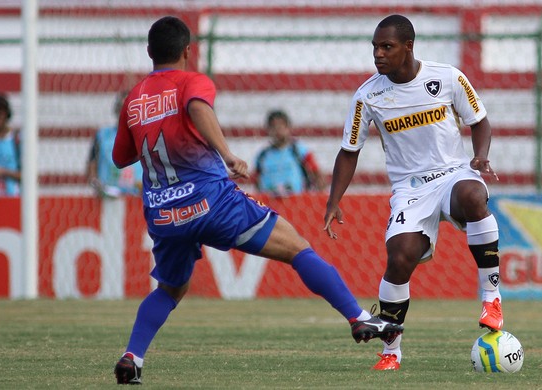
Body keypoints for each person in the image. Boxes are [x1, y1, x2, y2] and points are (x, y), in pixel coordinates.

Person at [111, 16, 402, 385]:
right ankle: (357, 317)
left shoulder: (134, 98)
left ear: (149, 52)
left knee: (170, 289)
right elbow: (198, 108)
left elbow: (121, 157)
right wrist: (228, 155)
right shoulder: (192, 81)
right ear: (188, 51)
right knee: (297, 248)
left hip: (163, 212)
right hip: (210, 200)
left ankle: (132, 356)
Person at [324, 14, 503, 371]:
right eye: (375, 47)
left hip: (453, 173)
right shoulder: (368, 95)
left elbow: (479, 120)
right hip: (410, 188)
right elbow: (349, 151)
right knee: (400, 257)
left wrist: (480, 157)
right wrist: (333, 200)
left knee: (472, 196)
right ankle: (392, 351)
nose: (378, 54)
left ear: (408, 47)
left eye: (386, 46)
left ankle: (492, 297)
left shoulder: (447, 77)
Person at [255, 110, 326, 196]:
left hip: (296, 203)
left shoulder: (300, 151)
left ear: (288, 127)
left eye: (281, 126)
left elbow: (317, 175)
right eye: (273, 126)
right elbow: (256, 182)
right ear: (268, 129)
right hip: (269, 205)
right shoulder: (262, 156)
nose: (277, 130)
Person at [86, 91, 142, 197]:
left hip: (138, 200)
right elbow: (91, 163)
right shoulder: (103, 136)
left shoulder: (145, 136)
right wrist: (96, 184)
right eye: (122, 108)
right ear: (116, 110)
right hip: (108, 198)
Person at [0, 94, 20, 201]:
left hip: (13, 198)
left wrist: (3, 172)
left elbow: (27, 174)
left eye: (0, 113)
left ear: (7, 114)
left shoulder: (17, 140)